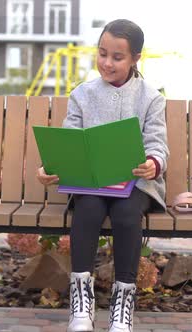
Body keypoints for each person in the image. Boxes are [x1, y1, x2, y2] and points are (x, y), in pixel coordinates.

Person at [36, 19, 168, 332]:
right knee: (88, 208)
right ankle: (81, 302)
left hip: (135, 182)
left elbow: (157, 144)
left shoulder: (151, 97)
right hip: (92, 183)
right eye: (102, 54)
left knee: (125, 214)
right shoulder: (82, 94)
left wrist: (153, 163)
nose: (107, 63)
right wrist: (51, 168)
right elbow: (69, 141)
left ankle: (123, 302)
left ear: (136, 58)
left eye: (117, 57)